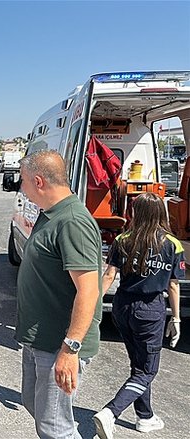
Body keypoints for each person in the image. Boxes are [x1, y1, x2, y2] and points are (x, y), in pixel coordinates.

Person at [15, 150, 103, 439]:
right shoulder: (51, 214)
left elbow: (89, 290)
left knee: (55, 428)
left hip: (59, 345)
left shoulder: (72, 221)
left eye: (23, 181)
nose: (21, 187)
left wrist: (70, 349)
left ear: (38, 181)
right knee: (36, 407)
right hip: (40, 340)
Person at [93, 192, 183, 439]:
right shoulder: (172, 244)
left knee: (138, 365)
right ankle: (111, 412)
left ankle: (145, 416)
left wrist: (92, 308)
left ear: (135, 213)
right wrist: (176, 318)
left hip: (122, 307)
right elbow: (173, 285)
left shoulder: (123, 239)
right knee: (147, 370)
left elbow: (109, 276)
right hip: (149, 310)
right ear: (161, 213)